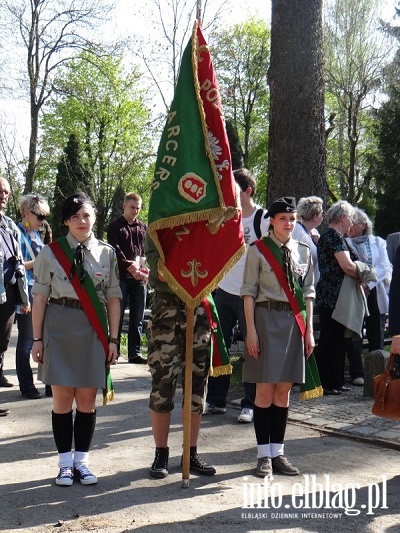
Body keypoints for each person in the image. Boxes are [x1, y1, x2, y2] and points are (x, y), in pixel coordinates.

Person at [31, 193, 121, 487]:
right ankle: (64, 465)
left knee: (86, 400)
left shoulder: (107, 253)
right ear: (66, 221)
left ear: (94, 218)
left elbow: (113, 299)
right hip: (58, 326)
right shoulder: (50, 253)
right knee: (62, 399)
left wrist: (113, 339)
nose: (82, 222)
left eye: (86, 216)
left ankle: (82, 462)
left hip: (91, 329)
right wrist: (37, 339)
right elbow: (41, 298)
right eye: (75, 217)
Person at [241, 197, 315, 478]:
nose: (289, 223)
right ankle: (263, 455)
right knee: (264, 391)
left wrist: (308, 331)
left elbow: (308, 293)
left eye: (293, 219)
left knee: (283, 392)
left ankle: (278, 453)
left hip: (293, 324)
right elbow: (248, 292)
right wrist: (251, 330)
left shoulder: (304, 251)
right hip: (265, 319)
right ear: (271, 220)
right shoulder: (258, 250)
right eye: (283, 218)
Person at [145, 232, 216, 479]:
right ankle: (161, 452)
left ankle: (191, 452)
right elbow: (155, 263)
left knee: (197, 383)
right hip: (167, 308)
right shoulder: (162, 217)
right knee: (163, 382)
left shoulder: (206, 222)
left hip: (198, 306)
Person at [204, 168, 269, 424]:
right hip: (224, 290)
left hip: (250, 294)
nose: (226, 193)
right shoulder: (225, 217)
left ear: (247, 191)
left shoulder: (263, 219)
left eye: (232, 189)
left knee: (252, 348)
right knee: (218, 346)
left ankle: (250, 403)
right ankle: (216, 400)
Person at [315, 201, 361, 396]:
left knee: (339, 340)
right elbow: (347, 266)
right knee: (331, 339)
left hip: (336, 294)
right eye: (350, 217)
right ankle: (327, 382)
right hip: (332, 294)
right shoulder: (333, 236)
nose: (351, 221)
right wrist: (365, 274)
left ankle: (336, 381)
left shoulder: (333, 236)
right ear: (343, 217)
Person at [345, 208, 392, 385]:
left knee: (376, 333)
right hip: (355, 291)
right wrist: (359, 283)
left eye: (353, 223)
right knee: (355, 332)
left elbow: (384, 266)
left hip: (374, 291)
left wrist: (368, 283)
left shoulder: (378, 242)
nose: (349, 226)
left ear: (363, 226)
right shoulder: (345, 242)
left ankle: (377, 371)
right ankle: (357, 372)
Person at [15, 193, 50, 399]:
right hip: (25, 291)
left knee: (44, 338)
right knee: (28, 340)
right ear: (28, 213)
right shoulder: (16, 233)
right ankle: (27, 386)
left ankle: (49, 383)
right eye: (40, 217)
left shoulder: (36, 234)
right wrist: (39, 262)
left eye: (44, 217)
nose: (43, 221)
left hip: (41, 290)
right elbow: (16, 266)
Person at [107, 192, 148, 364]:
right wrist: (132, 268)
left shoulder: (143, 227)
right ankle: (113, 352)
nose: (135, 211)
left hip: (139, 278)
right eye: (132, 207)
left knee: (137, 317)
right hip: (122, 277)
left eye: (138, 208)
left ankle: (134, 353)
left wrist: (145, 270)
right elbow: (115, 251)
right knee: (116, 316)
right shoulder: (115, 226)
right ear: (124, 206)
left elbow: (147, 250)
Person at [0, 176, 30, 390]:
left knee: (2, 340)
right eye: (0, 191)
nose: (3, 196)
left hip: (8, 292)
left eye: (6, 193)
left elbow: (18, 259)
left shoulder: (8, 224)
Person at [292, 195, 324, 284]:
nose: (323, 216)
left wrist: (320, 243)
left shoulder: (314, 232)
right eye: (322, 213)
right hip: (300, 287)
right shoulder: (297, 231)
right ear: (315, 217)